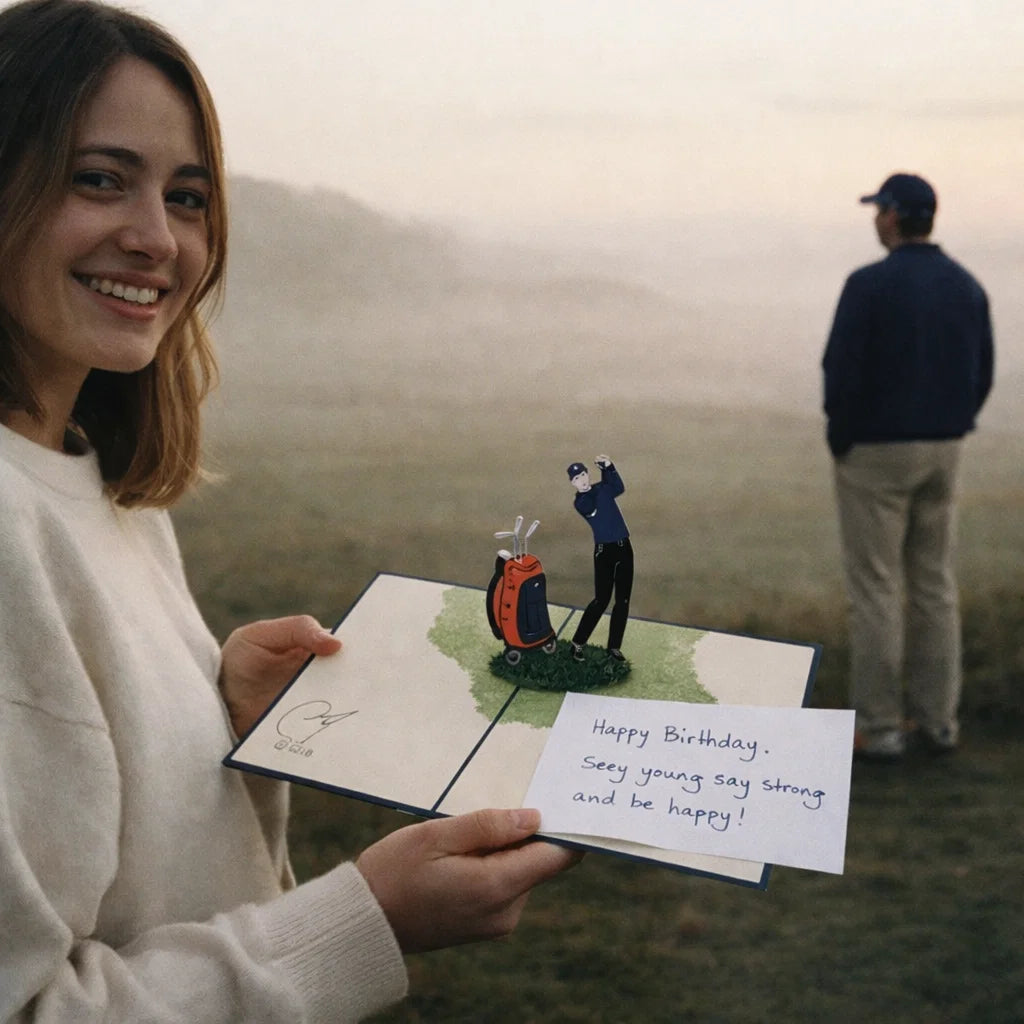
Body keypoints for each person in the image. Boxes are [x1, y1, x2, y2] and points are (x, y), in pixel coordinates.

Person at [0, 2, 578, 1021]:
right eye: (99, 178)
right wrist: (368, 922)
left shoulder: (92, 475)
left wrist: (207, 714)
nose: (155, 239)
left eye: (187, 197)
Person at [822, 172, 994, 762]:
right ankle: (938, 723)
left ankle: (881, 727)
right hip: (944, 447)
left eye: (878, 210)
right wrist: (954, 424)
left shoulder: (868, 286)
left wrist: (841, 438)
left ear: (894, 216)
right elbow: (983, 370)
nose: (874, 219)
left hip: (875, 450)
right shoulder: (965, 285)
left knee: (875, 589)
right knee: (934, 586)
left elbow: (839, 372)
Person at [565, 456, 633, 661]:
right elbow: (591, 507)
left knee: (623, 600)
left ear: (588, 473)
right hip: (604, 552)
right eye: (577, 478)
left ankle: (614, 647)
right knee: (601, 600)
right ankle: (578, 642)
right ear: (573, 483)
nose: (582, 480)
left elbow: (618, 488)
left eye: (584, 474)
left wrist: (609, 467)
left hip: (624, 547)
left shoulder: (601, 488)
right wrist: (603, 478)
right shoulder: (581, 501)